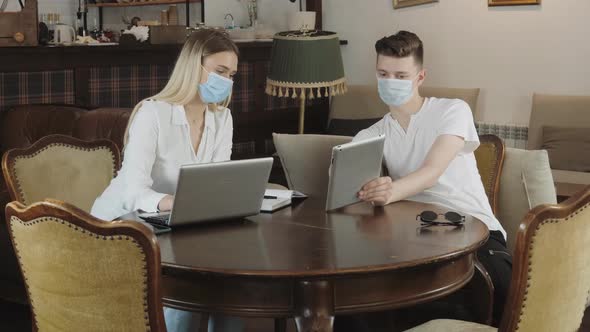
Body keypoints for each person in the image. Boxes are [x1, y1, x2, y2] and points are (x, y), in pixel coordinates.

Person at [354, 30, 511, 327]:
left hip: (475, 230)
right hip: (417, 237)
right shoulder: (372, 134)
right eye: (383, 73)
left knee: (490, 292)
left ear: (420, 77)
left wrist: (390, 191)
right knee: (363, 305)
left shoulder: (452, 110)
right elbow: (346, 176)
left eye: (401, 75)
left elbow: (431, 172)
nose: (391, 82)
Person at [91, 29, 242, 332]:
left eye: (232, 74)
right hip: (122, 223)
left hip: (176, 226)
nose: (226, 82)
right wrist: (174, 202)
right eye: (220, 71)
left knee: (232, 288)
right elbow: (133, 190)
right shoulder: (153, 113)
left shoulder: (222, 119)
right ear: (193, 67)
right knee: (184, 293)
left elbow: (215, 182)